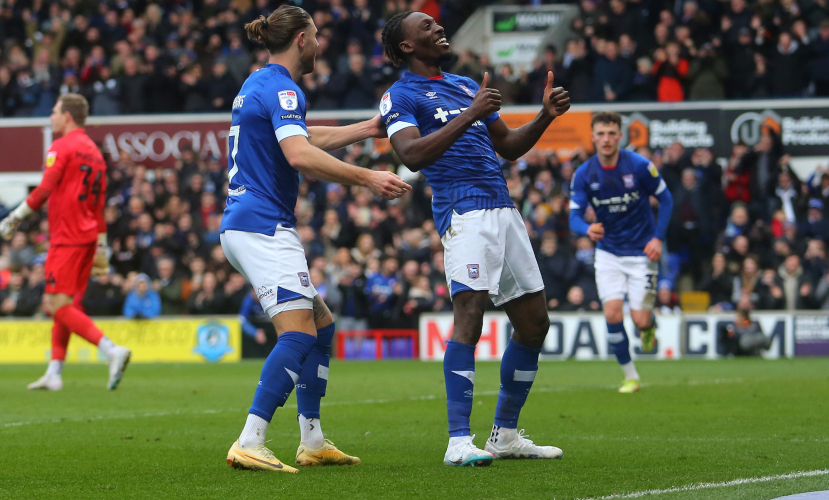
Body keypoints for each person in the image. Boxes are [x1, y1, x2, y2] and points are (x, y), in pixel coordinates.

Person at [220, 6, 411, 473]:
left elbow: (302, 138)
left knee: (321, 326)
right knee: (299, 332)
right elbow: (300, 154)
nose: (322, 42)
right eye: (318, 35)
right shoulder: (285, 87)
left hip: (249, 223)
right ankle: (251, 438)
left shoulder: (258, 83)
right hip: (264, 227)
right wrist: (366, 177)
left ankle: (312, 439)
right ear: (302, 40)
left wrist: (366, 130)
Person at [380, 11, 570, 467]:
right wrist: (471, 114)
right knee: (470, 314)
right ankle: (457, 441)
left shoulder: (467, 84)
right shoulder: (400, 95)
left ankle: (504, 434)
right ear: (406, 46)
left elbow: (506, 146)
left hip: (504, 208)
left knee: (535, 324)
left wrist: (544, 117)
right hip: (463, 211)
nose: (437, 28)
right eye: (424, 26)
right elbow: (410, 153)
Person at [0, 93, 131, 391]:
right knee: (67, 304)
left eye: (55, 112)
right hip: (87, 237)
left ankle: (112, 351)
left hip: (67, 238)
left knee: (55, 304)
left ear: (68, 116)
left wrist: (13, 218)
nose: (51, 117)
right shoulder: (95, 153)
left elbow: (45, 188)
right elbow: (98, 204)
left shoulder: (61, 146)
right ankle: (54, 371)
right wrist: (101, 247)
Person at [569, 112, 674, 393]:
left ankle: (648, 327)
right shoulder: (584, 174)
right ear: (592, 136)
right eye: (601, 133)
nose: (606, 139)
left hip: (642, 253)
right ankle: (631, 377)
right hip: (608, 253)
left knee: (640, 319)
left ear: (620, 136)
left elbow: (666, 199)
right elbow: (574, 217)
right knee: (613, 313)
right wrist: (586, 230)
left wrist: (658, 239)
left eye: (611, 133)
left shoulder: (639, 166)